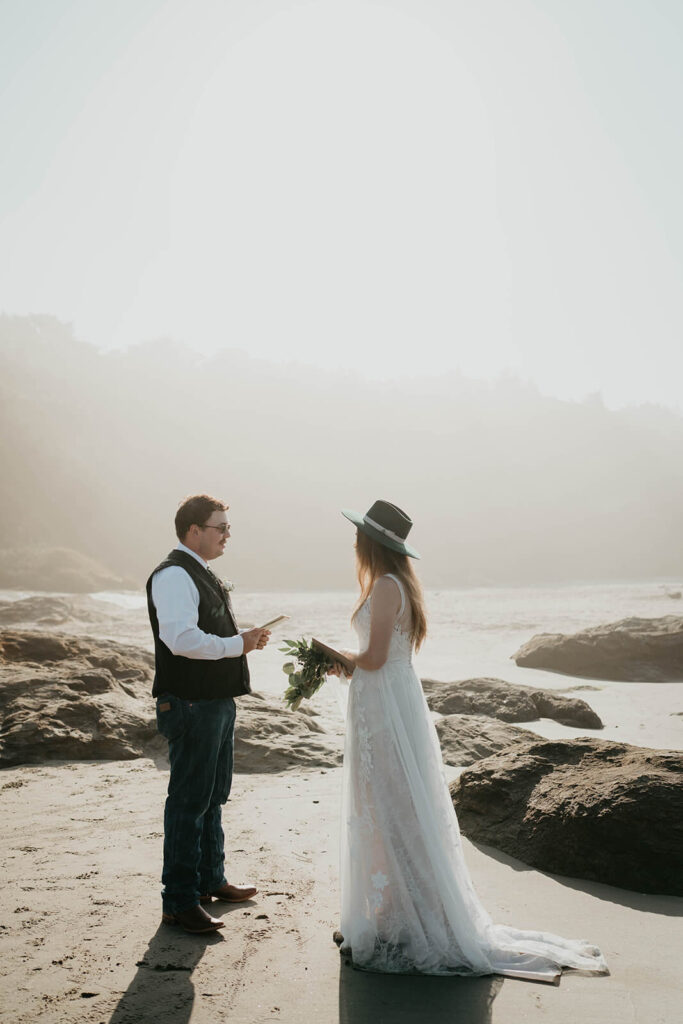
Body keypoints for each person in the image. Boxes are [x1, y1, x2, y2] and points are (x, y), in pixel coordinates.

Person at [331, 499, 608, 980]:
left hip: (386, 708)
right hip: (394, 701)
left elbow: (373, 657)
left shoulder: (383, 588)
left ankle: (401, 922)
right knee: (396, 810)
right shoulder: (401, 586)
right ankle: (393, 914)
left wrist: (332, 655)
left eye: (358, 535)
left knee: (389, 811)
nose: (353, 541)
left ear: (368, 543)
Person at [146, 494, 271, 935]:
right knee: (188, 800)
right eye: (221, 527)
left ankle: (209, 880)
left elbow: (203, 633)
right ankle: (178, 900)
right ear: (193, 530)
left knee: (213, 794)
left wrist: (243, 638)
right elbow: (181, 639)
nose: (227, 535)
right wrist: (238, 644)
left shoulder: (196, 572)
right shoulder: (174, 574)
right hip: (191, 703)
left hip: (214, 702)